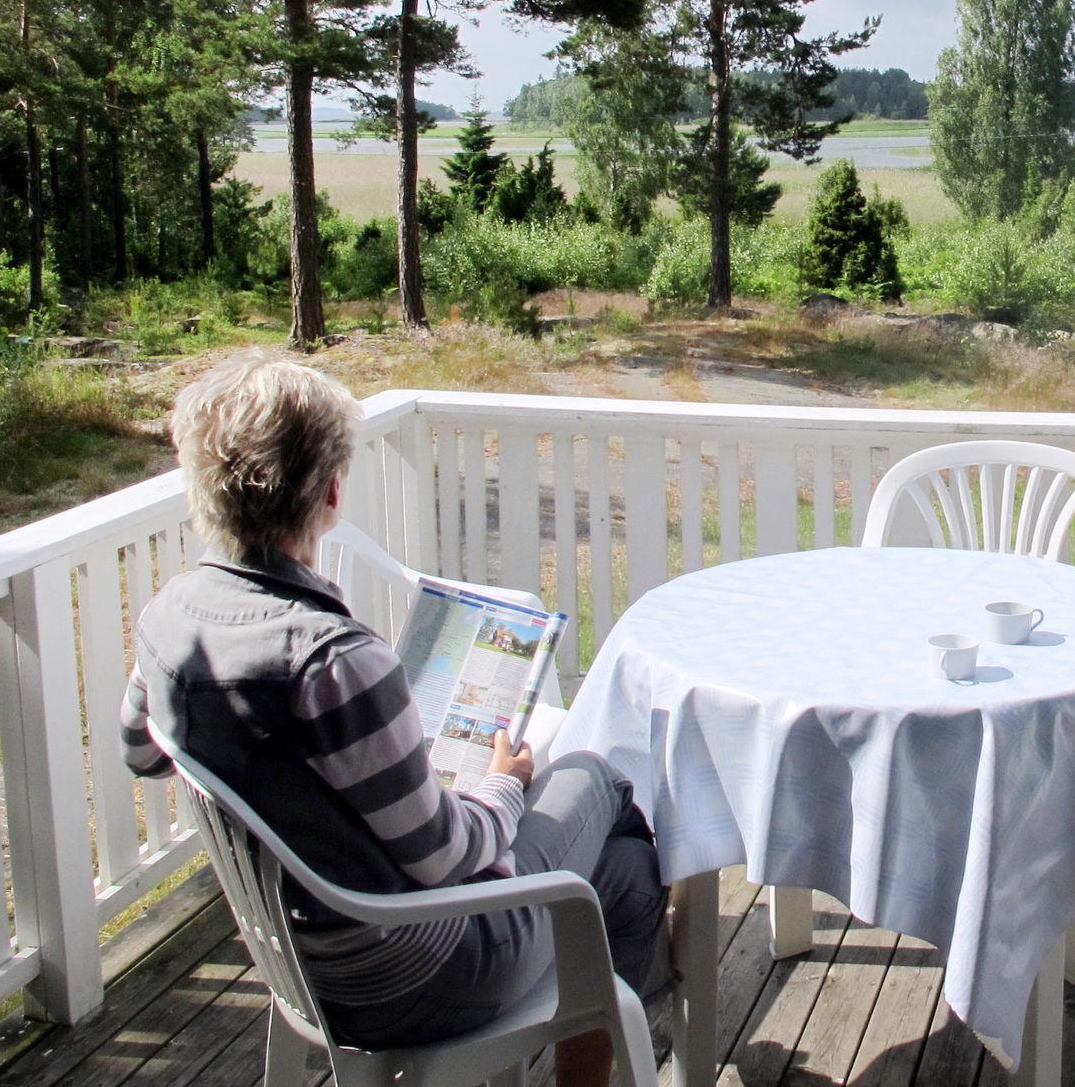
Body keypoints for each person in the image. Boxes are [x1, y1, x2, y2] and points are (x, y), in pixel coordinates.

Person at [118, 352, 669, 1081]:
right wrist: (502, 783)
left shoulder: (172, 619)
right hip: (414, 971)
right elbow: (447, 855)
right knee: (601, 784)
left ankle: (617, 1035)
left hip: (294, 955)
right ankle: (642, 1035)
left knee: (623, 871)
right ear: (333, 491)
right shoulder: (332, 660)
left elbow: (143, 752)